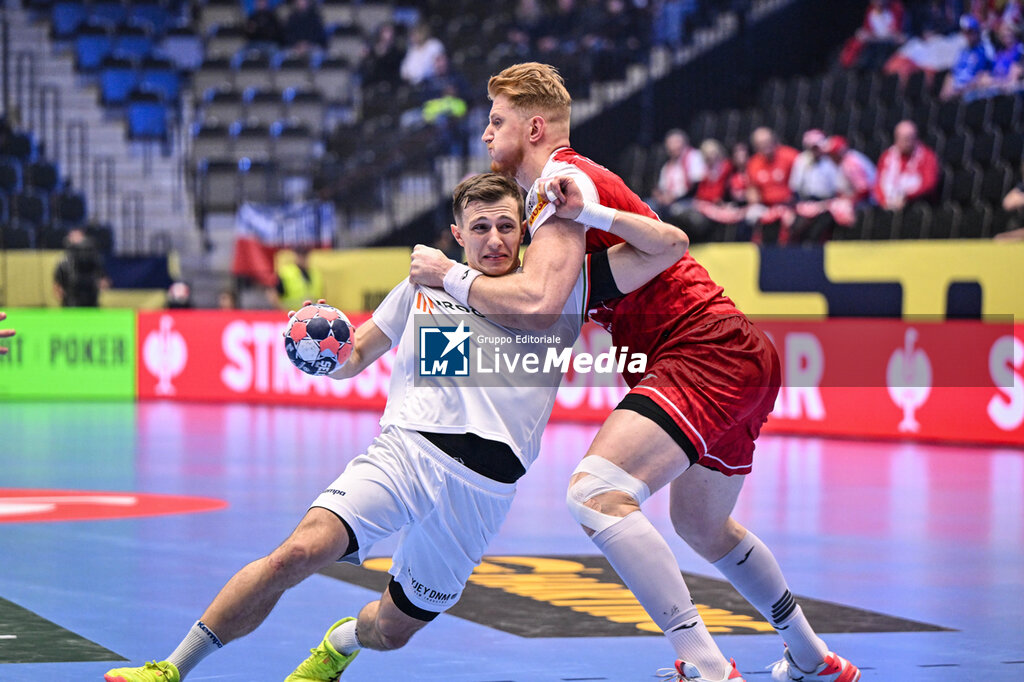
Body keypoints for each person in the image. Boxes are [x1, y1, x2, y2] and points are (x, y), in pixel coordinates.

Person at [102, 171, 688, 682]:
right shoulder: (420, 288)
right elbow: (354, 355)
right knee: (295, 554)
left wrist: (589, 212)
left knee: (391, 629)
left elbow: (669, 247)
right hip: (404, 456)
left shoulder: (562, 292)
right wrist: (325, 357)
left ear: (526, 231)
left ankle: (338, 646)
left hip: (482, 497)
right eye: (479, 228)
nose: (494, 239)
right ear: (458, 236)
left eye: (506, 226)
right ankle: (172, 667)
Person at [408, 62, 860, 682]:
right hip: (734, 349)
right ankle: (813, 657)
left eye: (497, 122)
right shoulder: (569, 193)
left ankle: (703, 662)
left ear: (534, 127)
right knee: (700, 526)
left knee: (595, 494)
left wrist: (448, 275)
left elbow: (540, 307)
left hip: (699, 349)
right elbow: (652, 250)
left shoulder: (556, 188)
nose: (486, 136)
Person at [873, 120, 940, 210]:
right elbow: (878, 184)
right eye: (904, 138)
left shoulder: (927, 156)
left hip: (915, 204)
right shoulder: (887, 157)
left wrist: (906, 197)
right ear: (896, 138)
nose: (907, 142)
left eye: (910, 138)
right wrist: (884, 202)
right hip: (888, 204)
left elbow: (929, 184)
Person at [648, 129, 707, 219]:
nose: (672, 147)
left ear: (684, 143)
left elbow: (696, 185)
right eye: (669, 143)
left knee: (672, 211)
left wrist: (674, 197)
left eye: (675, 142)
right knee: (647, 205)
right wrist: (659, 195)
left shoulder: (694, 156)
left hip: (689, 200)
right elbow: (662, 188)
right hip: (668, 201)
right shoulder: (667, 165)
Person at [940, 14, 994, 100]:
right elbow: (952, 73)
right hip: (955, 93)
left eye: (970, 32)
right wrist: (946, 91)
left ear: (977, 31)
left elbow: (984, 76)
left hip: (971, 93)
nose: (968, 35)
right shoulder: (962, 52)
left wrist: (963, 89)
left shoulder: (985, 50)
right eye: (965, 32)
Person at [53, 227, 110, 307]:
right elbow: (57, 285)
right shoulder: (64, 262)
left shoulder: (94, 259)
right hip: (71, 305)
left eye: (79, 237)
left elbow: (104, 281)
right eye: (74, 237)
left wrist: (100, 284)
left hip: (91, 304)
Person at [268, 246, 323, 311]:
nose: (303, 258)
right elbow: (273, 295)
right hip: (292, 315)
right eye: (300, 255)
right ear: (296, 256)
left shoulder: (315, 274)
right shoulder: (286, 273)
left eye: (305, 255)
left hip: (311, 316)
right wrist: (283, 312)